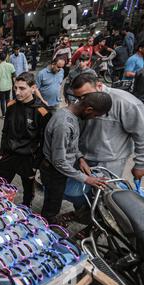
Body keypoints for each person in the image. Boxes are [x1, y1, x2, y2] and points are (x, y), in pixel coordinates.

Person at [40, 92, 112, 223]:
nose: (92, 119)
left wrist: (80, 158)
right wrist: (86, 179)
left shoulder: (73, 116)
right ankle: (47, 224)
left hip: (59, 169)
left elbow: (70, 144)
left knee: (55, 197)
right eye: (95, 115)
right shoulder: (64, 125)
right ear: (88, 109)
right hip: (54, 171)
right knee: (52, 202)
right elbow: (59, 161)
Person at [71, 73, 144, 180]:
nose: (82, 101)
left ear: (99, 86)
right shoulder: (81, 101)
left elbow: (142, 135)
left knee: (103, 194)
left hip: (109, 162)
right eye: (79, 97)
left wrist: (141, 164)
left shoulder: (126, 103)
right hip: (81, 157)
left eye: (86, 96)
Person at [0, 72, 50, 207]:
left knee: (27, 188)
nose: (17, 92)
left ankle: (26, 206)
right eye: (15, 88)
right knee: (0, 186)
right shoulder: (11, 105)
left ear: (33, 88)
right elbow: (5, 130)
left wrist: (35, 164)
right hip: (9, 154)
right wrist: (2, 152)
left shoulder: (41, 112)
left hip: (28, 158)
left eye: (22, 88)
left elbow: (45, 141)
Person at [0, 51, 16, 119]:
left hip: (1, 87)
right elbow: (14, 76)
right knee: (8, 99)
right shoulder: (10, 65)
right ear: (6, 58)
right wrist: (14, 85)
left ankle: (4, 115)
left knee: (2, 100)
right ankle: (8, 114)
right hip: (8, 86)